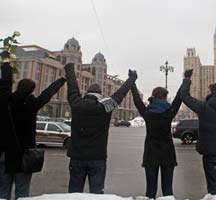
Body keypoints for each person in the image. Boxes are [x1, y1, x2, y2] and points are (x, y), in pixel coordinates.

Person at [0, 51, 66, 200]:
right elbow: (47, 93)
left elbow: (4, 83)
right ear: (31, 90)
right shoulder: (32, 104)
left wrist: (6, 62)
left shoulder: (6, 100)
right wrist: (62, 80)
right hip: (25, 155)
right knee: (22, 193)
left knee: (3, 192)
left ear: (17, 87)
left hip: (5, 154)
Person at [64, 63, 137, 194]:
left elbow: (72, 88)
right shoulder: (105, 108)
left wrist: (69, 70)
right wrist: (131, 79)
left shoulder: (76, 104)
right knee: (97, 194)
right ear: (100, 95)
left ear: (87, 93)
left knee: (74, 193)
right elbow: (119, 94)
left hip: (76, 158)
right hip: (97, 158)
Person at [131, 83, 182, 199]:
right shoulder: (169, 112)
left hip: (151, 154)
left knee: (150, 191)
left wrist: (133, 83)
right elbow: (179, 98)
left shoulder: (147, 112)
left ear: (153, 96)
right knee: (168, 191)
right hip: (167, 154)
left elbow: (137, 100)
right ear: (165, 97)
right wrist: (186, 80)